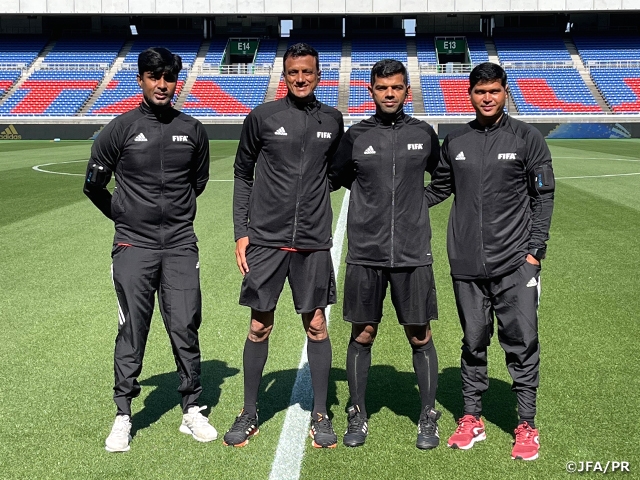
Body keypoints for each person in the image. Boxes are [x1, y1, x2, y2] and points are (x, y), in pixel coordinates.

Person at [83, 47, 216, 453]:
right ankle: (123, 414)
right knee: (133, 329)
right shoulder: (118, 129)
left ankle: (191, 408)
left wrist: (170, 218)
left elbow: (198, 183)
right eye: (154, 77)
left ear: (178, 81)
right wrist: (126, 217)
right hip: (133, 246)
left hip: (178, 245)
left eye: (169, 77)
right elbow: (93, 186)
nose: (162, 85)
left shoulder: (193, 130)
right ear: (140, 79)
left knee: (184, 326)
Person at [425, 62, 555, 461]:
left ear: (504, 93)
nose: (487, 98)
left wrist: (534, 253)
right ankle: (471, 417)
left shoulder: (527, 138)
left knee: (521, 342)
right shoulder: (457, 139)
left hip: (515, 262)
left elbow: (543, 197)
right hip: (465, 262)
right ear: (470, 94)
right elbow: (439, 189)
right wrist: (393, 200)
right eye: (480, 92)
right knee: (473, 340)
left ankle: (526, 423)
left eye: (494, 91)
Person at [224, 43, 344, 448]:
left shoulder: (333, 119)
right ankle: (249, 410)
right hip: (267, 241)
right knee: (260, 325)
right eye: (293, 72)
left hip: (311, 241)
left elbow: (337, 171)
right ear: (284, 76)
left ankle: (322, 413)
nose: (300, 78)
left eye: (307, 71)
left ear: (318, 74)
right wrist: (242, 230)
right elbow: (243, 174)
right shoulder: (262, 117)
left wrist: (309, 196)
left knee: (316, 324)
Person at [328, 59, 442, 449]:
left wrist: (416, 205)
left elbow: (442, 177)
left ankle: (428, 415)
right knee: (363, 332)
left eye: (396, 87)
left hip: (413, 253)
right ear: (371, 90)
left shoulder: (424, 133)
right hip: (366, 252)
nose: (389, 93)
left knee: (419, 334)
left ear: (407, 90)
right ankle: (357, 412)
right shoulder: (355, 136)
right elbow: (337, 177)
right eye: (382, 87)